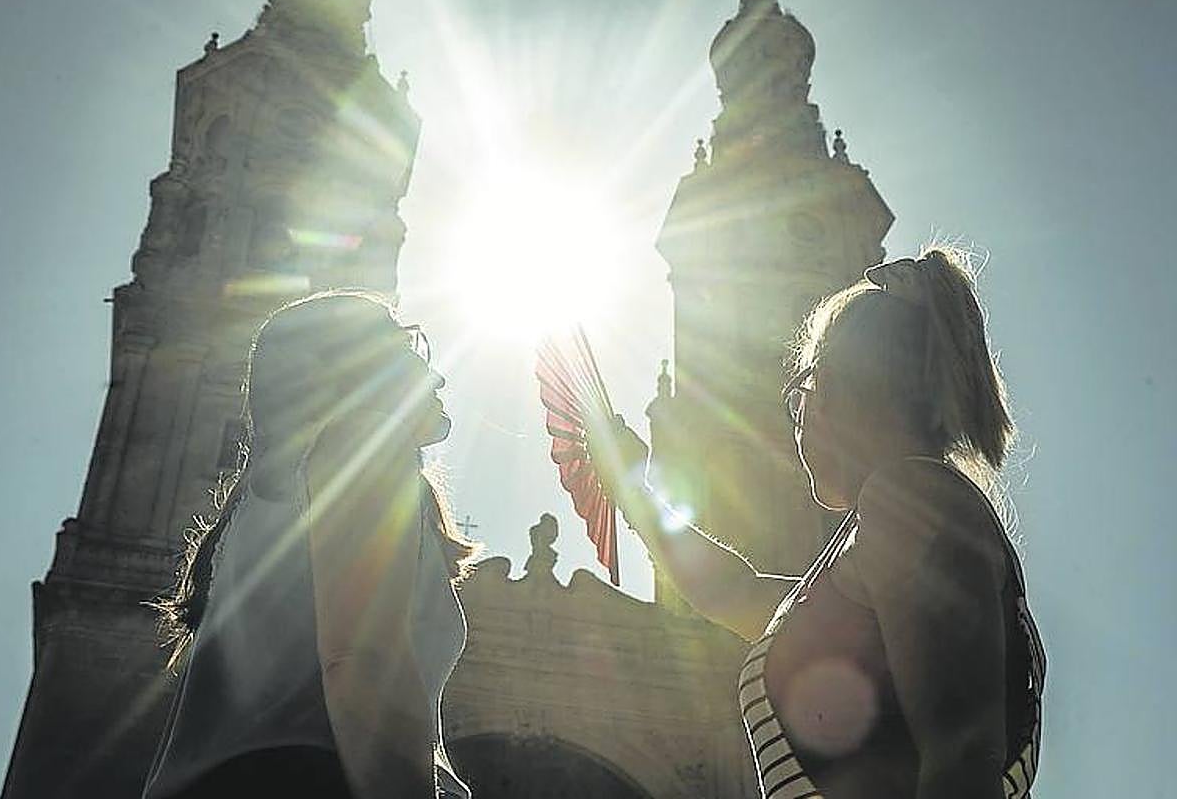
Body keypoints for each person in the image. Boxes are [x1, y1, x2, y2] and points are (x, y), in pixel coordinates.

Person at [592, 248, 1045, 799]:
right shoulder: (892, 523)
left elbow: (962, 753)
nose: (796, 418)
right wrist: (631, 486)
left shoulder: (913, 499)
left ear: (838, 391)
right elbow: (732, 589)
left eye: (799, 394)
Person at [144, 290, 479, 799]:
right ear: (358, 372)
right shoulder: (360, 448)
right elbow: (360, 660)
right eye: (407, 347)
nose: (437, 374)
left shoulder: (267, 505)